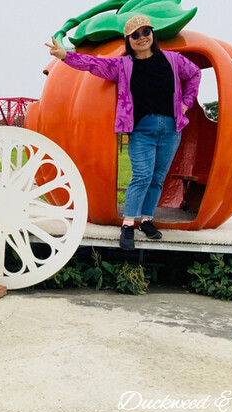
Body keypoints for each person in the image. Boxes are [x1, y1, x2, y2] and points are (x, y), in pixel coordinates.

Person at [45, 14, 201, 250]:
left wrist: (186, 103)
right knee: (142, 176)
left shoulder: (173, 60)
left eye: (145, 32)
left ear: (152, 34)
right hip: (142, 130)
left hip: (171, 129)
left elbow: (195, 74)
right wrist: (65, 55)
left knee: (158, 178)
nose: (141, 38)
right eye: (135, 35)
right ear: (129, 40)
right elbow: (92, 64)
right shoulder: (122, 66)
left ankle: (147, 220)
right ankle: (128, 224)